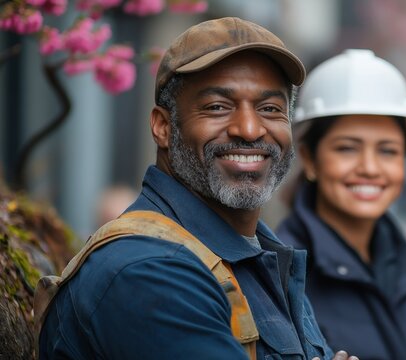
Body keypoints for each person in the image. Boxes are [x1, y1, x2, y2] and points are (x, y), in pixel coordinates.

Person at [38, 17, 357, 360]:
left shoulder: (260, 258)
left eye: (270, 109)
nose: (249, 129)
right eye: (218, 107)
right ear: (162, 127)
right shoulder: (149, 272)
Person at [276, 49, 406, 360]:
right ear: (309, 159)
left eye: (388, 151)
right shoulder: (281, 277)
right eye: (347, 149)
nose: (370, 168)